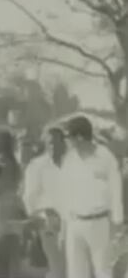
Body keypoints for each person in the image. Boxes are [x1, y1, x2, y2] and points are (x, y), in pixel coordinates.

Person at [59, 115, 123, 278]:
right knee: (76, 274)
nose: (67, 141)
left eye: (69, 137)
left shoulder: (105, 157)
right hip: (75, 224)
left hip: (99, 224)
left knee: (103, 272)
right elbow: (65, 194)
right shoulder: (69, 160)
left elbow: (116, 191)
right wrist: (63, 227)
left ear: (79, 137)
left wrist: (117, 224)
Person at [22, 126, 66, 278]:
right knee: (57, 268)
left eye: (56, 143)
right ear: (45, 145)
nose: (53, 147)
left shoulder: (73, 164)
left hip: (71, 223)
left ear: (64, 143)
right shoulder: (37, 166)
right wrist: (41, 213)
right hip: (49, 224)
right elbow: (29, 198)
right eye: (49, 143)